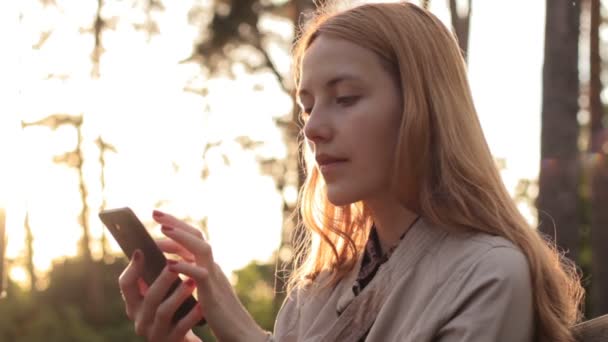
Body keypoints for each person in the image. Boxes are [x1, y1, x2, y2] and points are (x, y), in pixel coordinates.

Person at [118, 2, 585, 341]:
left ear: (422, 108)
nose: (314, 128)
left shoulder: (487, 275)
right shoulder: (322, 288)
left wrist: (233, 319)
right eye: (307, 105)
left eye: (345, 98)